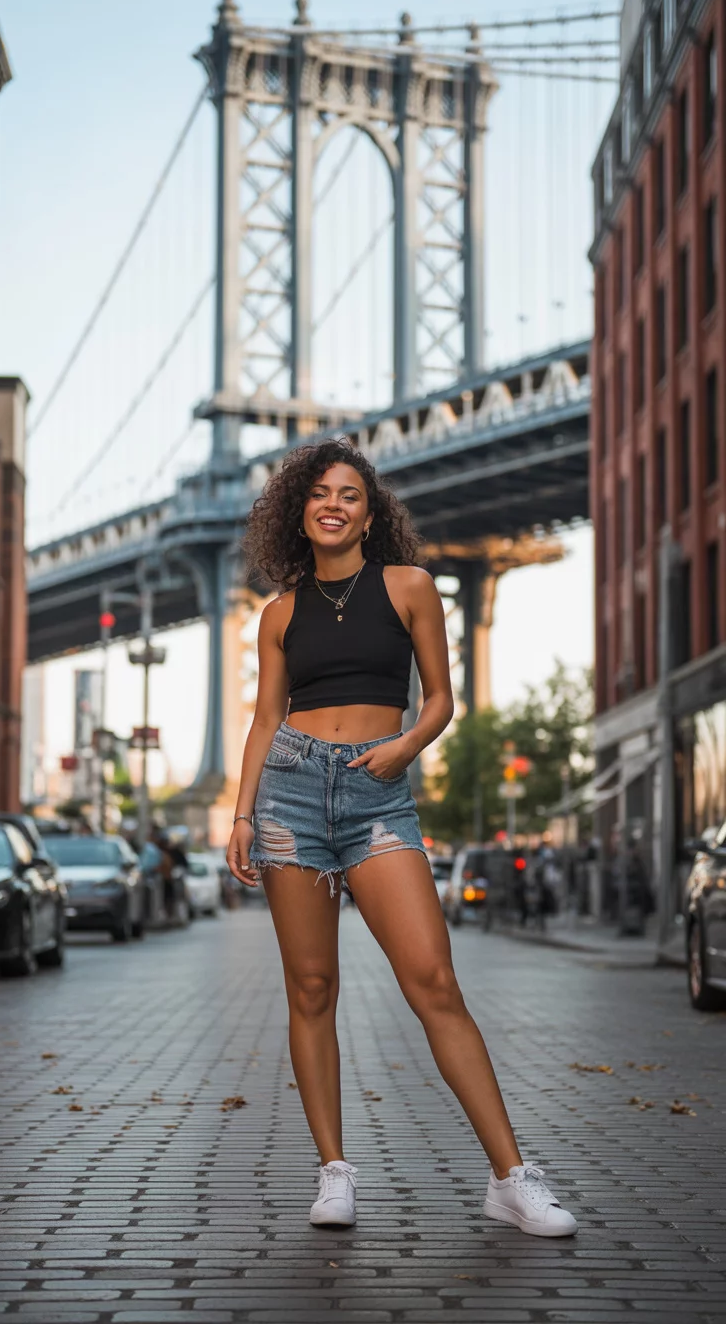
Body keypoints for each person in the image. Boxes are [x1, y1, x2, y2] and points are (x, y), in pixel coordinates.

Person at [226, 438, 577, 1239]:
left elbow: (441, 700)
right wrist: (243, 813)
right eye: (318, 493)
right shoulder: (279, 613)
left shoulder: (411, 586)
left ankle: (511, 1179)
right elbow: (262, 719)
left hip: (380, 793)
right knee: (311, 990)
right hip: (290, 790)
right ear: (298, 512)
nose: (334, 504)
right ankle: (334, 1172)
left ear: (369, 512)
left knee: (434, 982)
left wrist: (405, 748)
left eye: (350, 493)